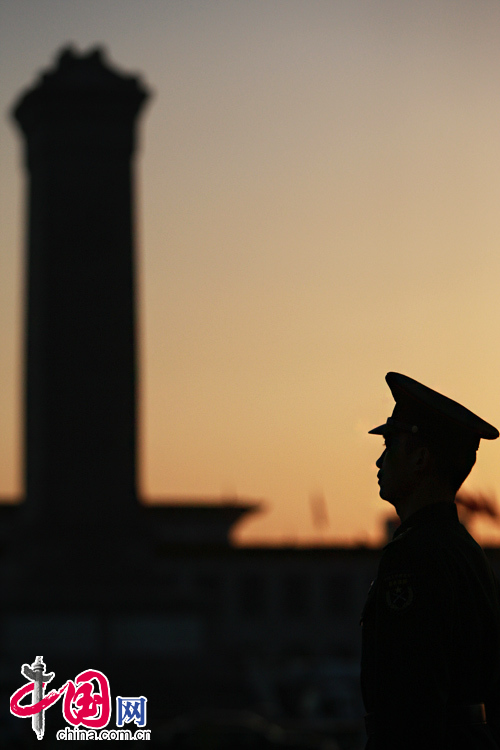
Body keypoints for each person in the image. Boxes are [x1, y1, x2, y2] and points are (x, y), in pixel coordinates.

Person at [361, 372, 500, 749]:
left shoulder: (414, 555)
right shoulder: (467, 552)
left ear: (421, 458)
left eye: (391, 445)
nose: (379, 460)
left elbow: (411, 703)